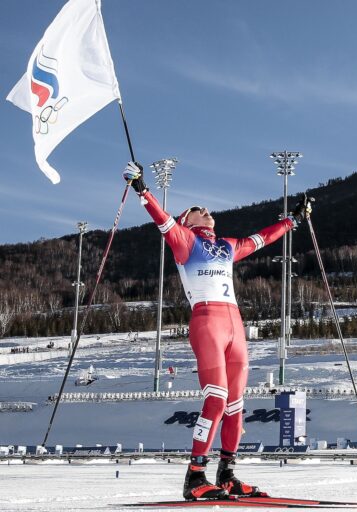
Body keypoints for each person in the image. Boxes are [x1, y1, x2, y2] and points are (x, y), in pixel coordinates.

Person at [122, 161, 312, 500]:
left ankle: (227, 474)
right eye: (197, 209)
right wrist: (141, 188)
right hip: (207, 322)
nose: (206, 210)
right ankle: (195, 476)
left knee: (236, 405)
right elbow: (162, 221)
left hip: (235, 327)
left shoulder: (226, 246)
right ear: (187, 221)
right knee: (216, 398)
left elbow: (263, 238)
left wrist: (293, 219)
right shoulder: (184, 241)